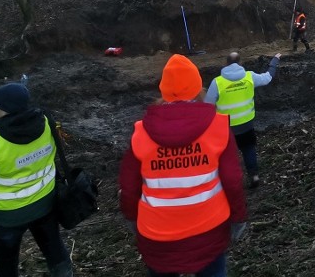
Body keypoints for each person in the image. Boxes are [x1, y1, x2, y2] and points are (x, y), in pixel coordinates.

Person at [119, 54, 247, 277]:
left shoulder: (140, 132)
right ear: (198, 88)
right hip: (209, 233)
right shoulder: (218, 128)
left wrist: (131, 218)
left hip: (157, 239)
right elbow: (232, 181)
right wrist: (238, 218)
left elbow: (128, 187)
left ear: (164, 90)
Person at [0, 83, 73, 277]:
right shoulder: (45, 121)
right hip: (45, 204)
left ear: (3, 110)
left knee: (6, 265)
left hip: (6, 215)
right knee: (55, 252)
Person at [204, 52, 280, 189]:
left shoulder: (217, 82)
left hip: (227, 128)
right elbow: (268, 78)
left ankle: (231, 183)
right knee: (248, 149)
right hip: (246, 125)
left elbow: (207, 105)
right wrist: (275, 61)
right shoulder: (249, 77)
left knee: (228, 155)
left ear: (226, 64)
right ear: (240, 63)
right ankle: (254, 176)